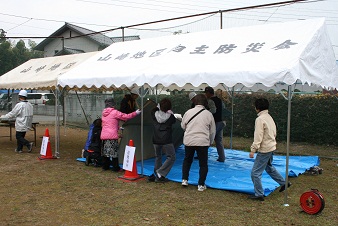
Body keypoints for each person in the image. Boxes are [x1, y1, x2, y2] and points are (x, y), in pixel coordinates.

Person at [249, 98, 291, 201]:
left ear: (257, 108)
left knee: (255, 173)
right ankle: (284, 183)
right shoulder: (269, 117)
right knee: (268, 167)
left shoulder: (260, 119)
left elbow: (258, 136)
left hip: (265, 149)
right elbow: (273, 132)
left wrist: (253, 149)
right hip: (271, 146)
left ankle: (259, 194)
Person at [181, 94, 216, 192]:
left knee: (187, 160)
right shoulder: (208, 114)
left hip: (189, 140)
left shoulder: (188, 112)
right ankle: (201, 184)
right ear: (205, 102)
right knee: (203, 164)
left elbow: (183, 126)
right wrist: (210, 141)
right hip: (202, 141)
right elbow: (212, 131)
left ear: (194, 101)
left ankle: (184, 179)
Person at [101, 98, 141, 172]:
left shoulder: (104, 113)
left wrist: (119, 128)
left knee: (105, 152)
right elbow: (126, 116)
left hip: (104, 134)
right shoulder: (115, 112)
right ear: (113, 104)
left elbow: (109, 123)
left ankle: (105, 166)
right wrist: (136, 113)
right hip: (112, 135)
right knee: (114, 152)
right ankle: (115, 168)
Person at [148, 98, 177, 183]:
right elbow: (174, 121)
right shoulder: (171, 117)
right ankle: (160, 173)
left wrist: (158, 107)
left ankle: (157, 175)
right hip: (166, 140)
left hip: (156, 139)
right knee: (171, 157)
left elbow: (154, 109)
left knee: (158, 157)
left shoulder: (154, 113)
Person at [204, 86, 226, 162]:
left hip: (215, 123)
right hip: (222, 121)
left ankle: (202, 155)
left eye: (206, 93)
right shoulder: (220, 100)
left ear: (208, 93)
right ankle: (222, 157)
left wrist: (205, 114)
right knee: (219, 141)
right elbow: (223, 108)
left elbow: (213, 110)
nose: (205, 95)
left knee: (208, 139)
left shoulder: (210, 101)